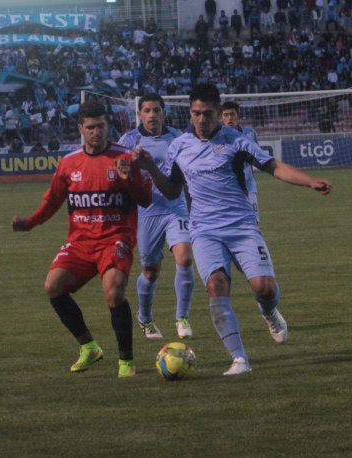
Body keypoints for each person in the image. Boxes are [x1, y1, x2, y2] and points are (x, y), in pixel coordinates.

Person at [132, 83, 332, 375]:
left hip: (241, 226)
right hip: (204, 230)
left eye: (208, 114)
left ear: (217, 111)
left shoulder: (236, 141)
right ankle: (239, 359)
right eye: (196, 114)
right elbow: (173, 191)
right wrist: (151, 169)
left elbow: (273, 166)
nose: (201, 120)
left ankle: (269, 312)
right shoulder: (180, 146)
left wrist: (310, 181)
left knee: (264, 288)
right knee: (216, 286)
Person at [11, 98, 152, 378]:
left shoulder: (126, 157)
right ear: (80, 129)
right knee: (53, 286)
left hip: (115, 239)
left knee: (114, 291)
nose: (96, 132)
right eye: (90, 127)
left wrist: (129, 179)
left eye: (101, 126)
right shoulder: (68, 163)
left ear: (107, 125)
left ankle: (126, 361)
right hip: (80, 243)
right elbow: (52, 202)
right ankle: (90, 347)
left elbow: (145, 199)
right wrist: (30, 223)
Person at [118, 93, 195, 340]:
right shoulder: (129, 140)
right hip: (146, 213)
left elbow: (188, 176)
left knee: (184, 258)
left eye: (156, 110)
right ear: (139, 114)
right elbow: (119, 177)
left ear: (164, 112)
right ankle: (145, 317)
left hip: (176, 208)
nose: (152, 114)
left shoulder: (179, 138)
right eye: (147, 110)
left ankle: (182, 317)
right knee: (151, 271)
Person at [220, 100, 261, 222]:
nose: (230, 118)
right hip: (226, 189)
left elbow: (257, 156)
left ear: (238, 116)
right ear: (221, 118)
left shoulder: (249, 133)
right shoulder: (217, 136)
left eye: (232, 114)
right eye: (226, 115)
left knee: (252, 224)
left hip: (248, 187)